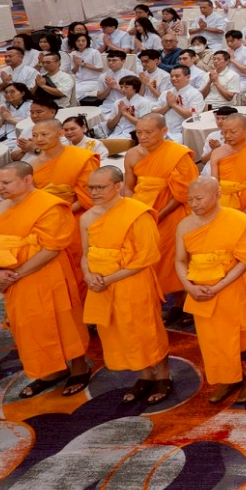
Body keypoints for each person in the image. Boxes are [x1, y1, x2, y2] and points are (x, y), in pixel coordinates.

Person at [0, 160, 92, 399]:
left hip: (47, 273)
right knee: (28, 324)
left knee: (62, 320)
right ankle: (52, 371)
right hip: (14, 278)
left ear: (27, 180)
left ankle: (79, 367)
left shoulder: (49, 205)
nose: (0, 188)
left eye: (6, 182)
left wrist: (16, 275)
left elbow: (51, 248)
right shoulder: (1, 208)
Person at [80, 165, 172, 405]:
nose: (94, 192)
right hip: (101, 286)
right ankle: (144, 374)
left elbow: (148, 256)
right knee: (119, 333)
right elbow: (85, 254)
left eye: (101, 187)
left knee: (145, 329)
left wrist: (107, 279)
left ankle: (163, 375)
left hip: (132, 282)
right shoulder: (87, 217)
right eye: (91, 188)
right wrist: (87, 275)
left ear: (118, 186)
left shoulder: (137, 213)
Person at [174, 176, 246, 404]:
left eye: (199, 198)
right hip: (199, 289)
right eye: (190, 199)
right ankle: (230, 376)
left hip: (232, 286)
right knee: (213, 338)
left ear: (217, 195)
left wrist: (218, 286)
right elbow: (180, 260)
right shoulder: (185, 225)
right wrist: (188, 287)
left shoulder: (237, 221)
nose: (194, 204)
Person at [123, 113, 198, 308]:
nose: (143, 137)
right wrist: (133, 211)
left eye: (148, 132)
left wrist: (158, 215)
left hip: (170, 212)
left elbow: (183, 193)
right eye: (139, 132)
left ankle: (181, 306)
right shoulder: (132, 155)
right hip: (140, 213)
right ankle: (150, 302)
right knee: (142, 258)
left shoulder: (178, 154)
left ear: (164, 130)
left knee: (173, 258)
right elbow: (129, 187)